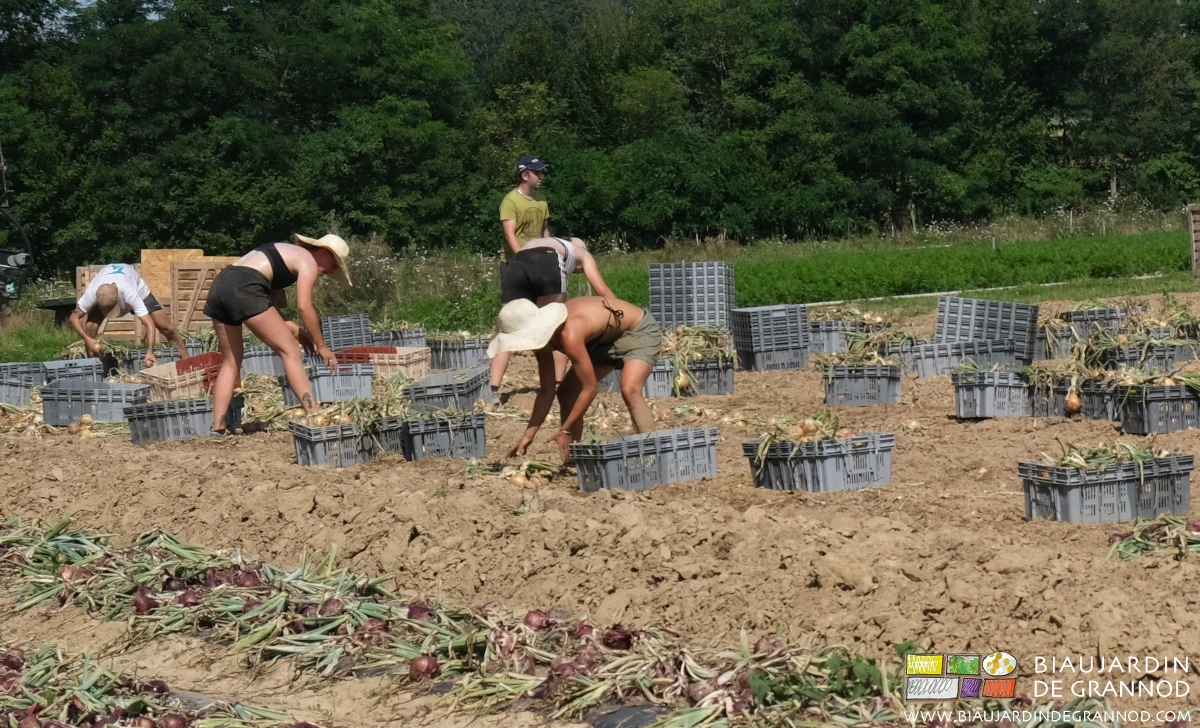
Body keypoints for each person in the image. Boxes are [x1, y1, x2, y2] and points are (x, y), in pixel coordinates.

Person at [202, 233, 351, 433]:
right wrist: (322, 346)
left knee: (231, 361)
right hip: (246, 287)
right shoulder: (307, 260)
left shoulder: (283, 253)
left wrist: (301, 333)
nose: (331, 272)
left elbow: (268, 308)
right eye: (334, 264)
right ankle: (314, 413)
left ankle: (218, 426)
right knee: (291, 352)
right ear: (324, 252)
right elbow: (304, 306)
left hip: (221, 286)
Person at [489, 296, 662, 463]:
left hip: (635, 330)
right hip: (600, 342)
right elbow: (547, 390)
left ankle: (652, 456)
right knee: (566, 393)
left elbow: (590, 388)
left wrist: (565, 429)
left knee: (629, 389)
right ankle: (575, 456)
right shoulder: (543, 344)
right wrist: (528, 435)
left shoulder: (570, 334)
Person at [490, 236, 616, 399]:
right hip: (547, 259)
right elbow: (602, 290)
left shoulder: (544, 241)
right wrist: (621, 309)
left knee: (508, 326)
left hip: (517, 261)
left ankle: (493, 390)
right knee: (556, 324)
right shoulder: (582, 253)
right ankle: (557, 384)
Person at [491, 155, 550, 396]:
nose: (541, 177)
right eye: (537, 173)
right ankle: (493, 388)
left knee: (548, 322)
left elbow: (545, 231)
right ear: (525, 175)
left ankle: (553, 386)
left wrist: (550, 256)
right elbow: (510, 235)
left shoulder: (542, 199)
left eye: (541, 172)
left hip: (540, 265)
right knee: (510, 325)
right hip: (515, 266)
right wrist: (523, 259)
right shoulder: (510, 201)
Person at [70, 263, 188, 369]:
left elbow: (149, 323)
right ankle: (96, 367)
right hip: (107, 284)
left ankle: (187, 361)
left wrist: (150, 351)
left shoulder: (130, 293)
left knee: (166, 327)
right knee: (90, 327)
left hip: (136, 287)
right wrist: (88, 340)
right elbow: (73, 318)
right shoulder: (92, 292)